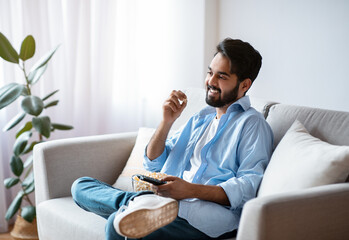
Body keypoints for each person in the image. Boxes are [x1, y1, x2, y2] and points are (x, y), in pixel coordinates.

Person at [71, 38, 274, 240]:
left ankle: (136, 207)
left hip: (202, 220)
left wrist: (189, 190)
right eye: (210, 73)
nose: (211, 82)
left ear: (244, 84)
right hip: (161, 201)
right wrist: (166, 122)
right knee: (81, 185)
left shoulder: (252, 124)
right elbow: (153, 162)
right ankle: (139, 205)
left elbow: (248, 186)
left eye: (221, 76)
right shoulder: (201, 118)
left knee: (116, 223)